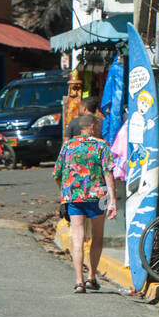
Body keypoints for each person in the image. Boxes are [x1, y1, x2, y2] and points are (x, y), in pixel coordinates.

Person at [53, 110, 117, 293]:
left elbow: (56, 174)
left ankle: (79, 281)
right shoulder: (101, 146)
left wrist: (64, 192)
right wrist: (112, 200)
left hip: (74, 197)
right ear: (92, 127)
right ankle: (91, 277)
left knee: (77, 238)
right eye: (98, 126)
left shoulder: (68, 146)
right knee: (96, 237)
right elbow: (108, 173)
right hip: (98, 197)